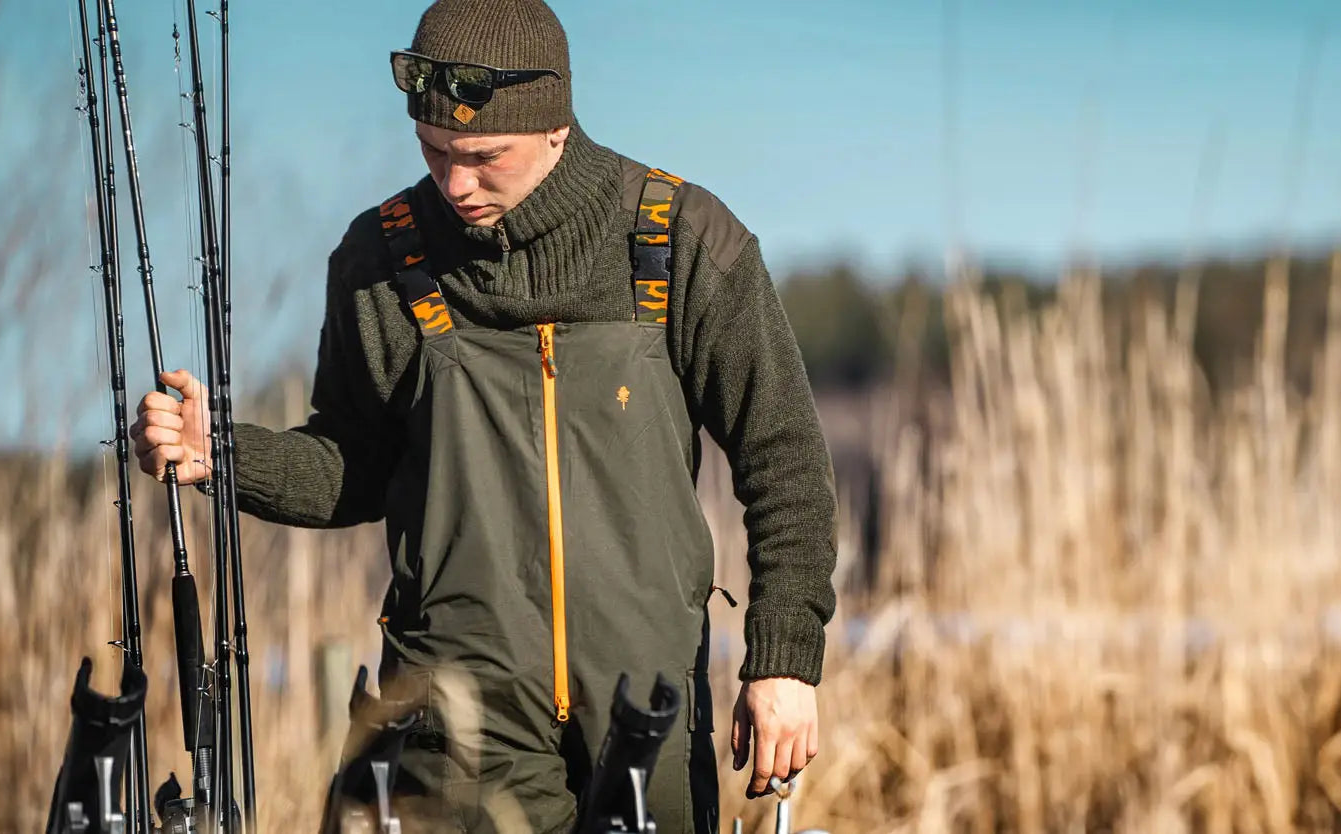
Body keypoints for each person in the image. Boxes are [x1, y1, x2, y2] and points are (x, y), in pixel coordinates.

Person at [129, 0, 836, 831]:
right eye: (433, 154)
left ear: (555, 128)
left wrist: (783, 662)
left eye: (484, 157)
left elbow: (783, 459)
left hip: (648, 712)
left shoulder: (681, 239)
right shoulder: (379, 261)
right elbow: (354, 466)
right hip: (452, 721)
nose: (454, 185)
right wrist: (220, 454)